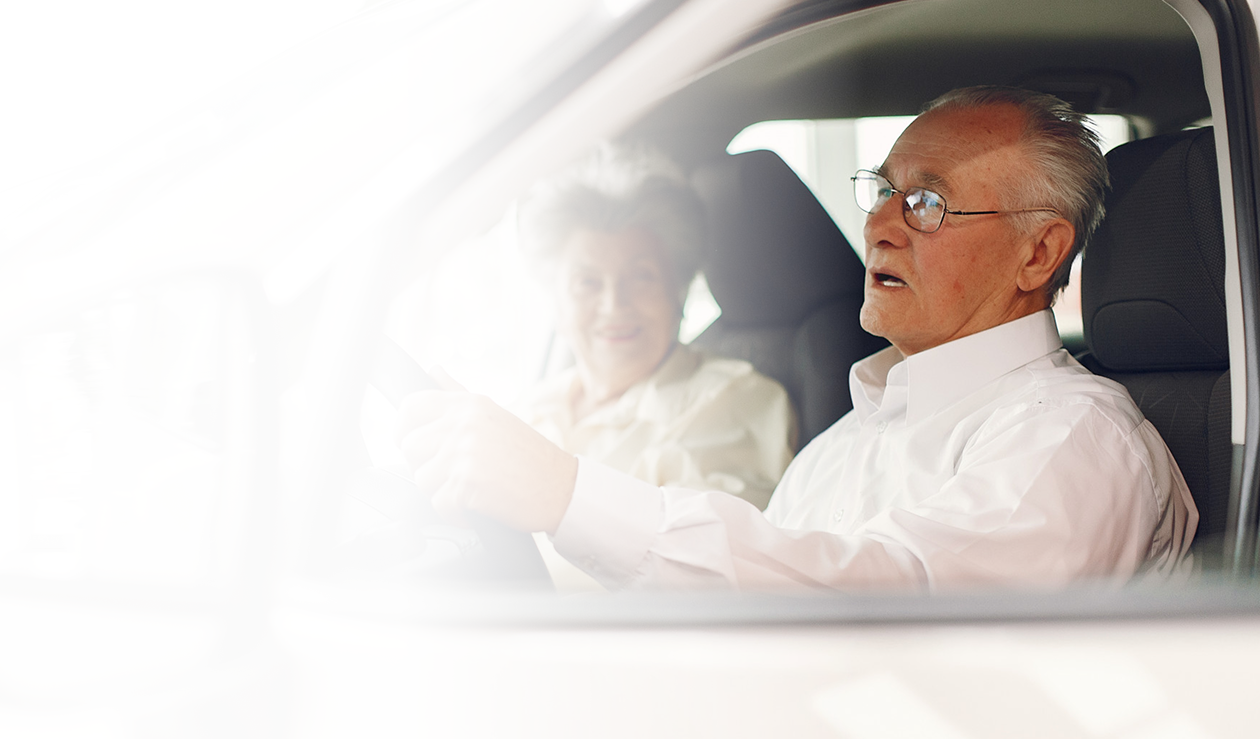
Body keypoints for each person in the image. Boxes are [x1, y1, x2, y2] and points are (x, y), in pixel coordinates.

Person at [395, 86, 1197, 592]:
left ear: (1039, 252)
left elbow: (901, 603)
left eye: (926, 203)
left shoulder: (1076, 437)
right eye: (882, 191)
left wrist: (567, 496)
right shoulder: (841, 445)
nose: (879, 223)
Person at [514, 145, 797, 512]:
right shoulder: (535, 407)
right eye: (587, 282)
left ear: (678, 289)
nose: (614, 305)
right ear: (556, 299)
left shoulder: (732, 402)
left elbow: (707, 554)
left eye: (641, 277)